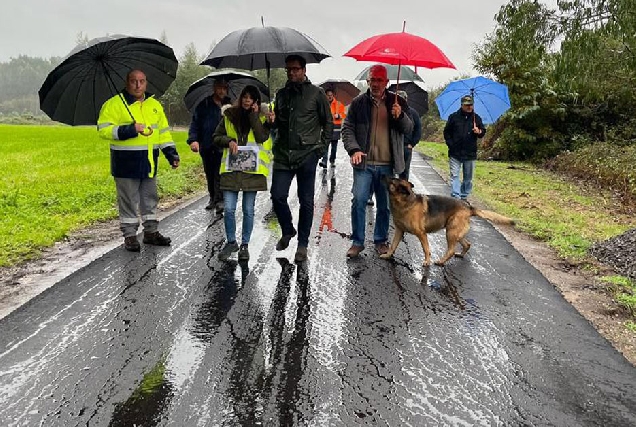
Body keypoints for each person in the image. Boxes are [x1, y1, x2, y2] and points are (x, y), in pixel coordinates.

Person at [97, 69, 180, 252]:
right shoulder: (114, 104)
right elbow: (103, 130)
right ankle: (130, 236)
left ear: (146, 83)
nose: (137, 85)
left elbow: (163, 133)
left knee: (150, 199)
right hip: (125, 163)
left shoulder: (154, 105)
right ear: (127, 83)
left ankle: (150, 233)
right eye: (134, 81)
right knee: (128, 201)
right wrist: (130, 130)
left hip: (149, 162)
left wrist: (171, 154)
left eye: (141, 81)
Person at [267, 54, 333, 263]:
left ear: (304, 70)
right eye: (288, 69)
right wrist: (271, 121)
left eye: (295, 69)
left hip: (307, 155)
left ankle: (302, 245)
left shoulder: (317, 93)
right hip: (284, 154)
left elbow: (328, 123)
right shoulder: (281, 94)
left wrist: (320, 150)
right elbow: (276, 125)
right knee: (277, 196)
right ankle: (288, 230)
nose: (292, 72)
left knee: (306, 202)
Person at [342, 64, 413, 258]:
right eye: (372, 79)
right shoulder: (358, 103)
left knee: (385, 205)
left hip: (387, 166)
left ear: (387, 82)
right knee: (358, 200)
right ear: (367, 81)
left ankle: (381, 240)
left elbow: (409, 129)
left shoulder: (396, 102)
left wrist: (400, 117)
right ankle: (357, 242)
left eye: (379, 80)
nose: (375, 84)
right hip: (364, 164)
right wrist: (354, 149)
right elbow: (347, 128)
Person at [213, 85, 272, 261]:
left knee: (248, 210)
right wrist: (228, 140)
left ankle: (245, 244)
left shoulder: (262, 117)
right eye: (245, 97)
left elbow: (262, 137)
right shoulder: (229, 116)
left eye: (251, 98)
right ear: (240, 98)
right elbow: (216, 137)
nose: (247, 100)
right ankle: (231, 242)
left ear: (256, 101)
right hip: (232, 169)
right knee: (229, 209)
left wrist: (255, 115)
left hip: (252, 171)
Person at [187, 79, 231, 213]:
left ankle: (220, 199)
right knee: (209, 173)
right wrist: (193, 140)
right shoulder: (204, 105)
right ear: (214, 88)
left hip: (223, 144)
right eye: (219, 87)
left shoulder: (230, 106)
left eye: (224, 88)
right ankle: (212, 197)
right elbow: (195, 124)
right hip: (206, 144)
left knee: (220, 172)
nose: (222, 91)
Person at [443, 94, 486, 202]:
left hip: (470, 153)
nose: (469, 107)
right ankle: (456, 198)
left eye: (471, 105)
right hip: (455, 152)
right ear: (462, 105)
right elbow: (447, 132)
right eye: (467, 105)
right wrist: (450, 144)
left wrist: (478, 131)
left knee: (468, 178)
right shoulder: (453, 117)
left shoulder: (477, 118)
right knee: (454, 175)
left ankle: (464, 196)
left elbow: (482, 132)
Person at [396, 90, 422, 181]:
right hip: (393, 146)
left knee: (404, 172)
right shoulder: (391, 111)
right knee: (390, 172)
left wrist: (412, 144)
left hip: (406, 147)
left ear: (406, 99)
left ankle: (403, 193)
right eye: (399, 99)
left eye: (402, 99)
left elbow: (418, 130)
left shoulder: (413, 113)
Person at [319, 89, 346, 168]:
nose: (330, 96)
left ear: (333, 95)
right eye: (328, 95)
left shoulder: (338, 104)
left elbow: (344, 114)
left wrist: (339, 116)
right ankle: (324, 161)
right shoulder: (323, 104)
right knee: (325, 146)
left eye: (331, 95)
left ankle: (332, 160)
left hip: (335, 129)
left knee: (334, 148)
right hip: (326, 128)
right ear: (326, 95)